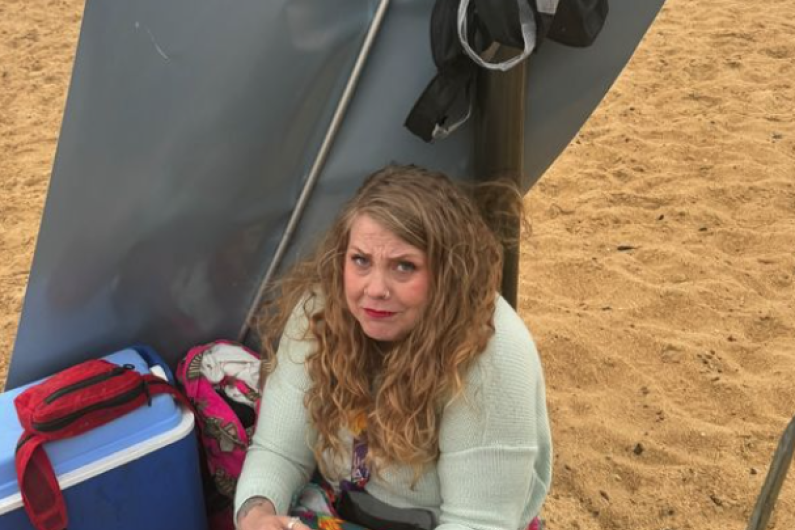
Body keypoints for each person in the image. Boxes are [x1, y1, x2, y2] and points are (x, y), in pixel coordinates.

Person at [234, 165, 552, 530]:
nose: (375, 289)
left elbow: (480, 522)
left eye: (404, 266)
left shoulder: (493, 353)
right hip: (342, 505)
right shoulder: (321, 313)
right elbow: (278, 452)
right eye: (361, 261)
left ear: (447, 273)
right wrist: (257, 516)